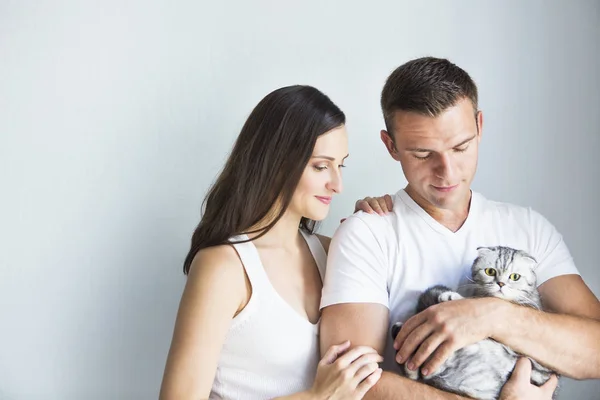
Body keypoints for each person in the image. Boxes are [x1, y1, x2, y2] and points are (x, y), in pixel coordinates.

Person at [320, 57, 600, 399]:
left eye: (461, 147)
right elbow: (348, 383)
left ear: (480, 126)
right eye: (424, 154)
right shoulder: (367, 235)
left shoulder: (529, 228)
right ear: (391, 146)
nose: (447, 172)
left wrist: (494, 315)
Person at [159, 85, 391, 400]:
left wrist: (374, 225)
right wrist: (315, 397)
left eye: (341, 165)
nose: (338, 184)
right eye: (321, 166)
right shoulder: (224, 267)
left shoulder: (331, 252)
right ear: (278, 161)